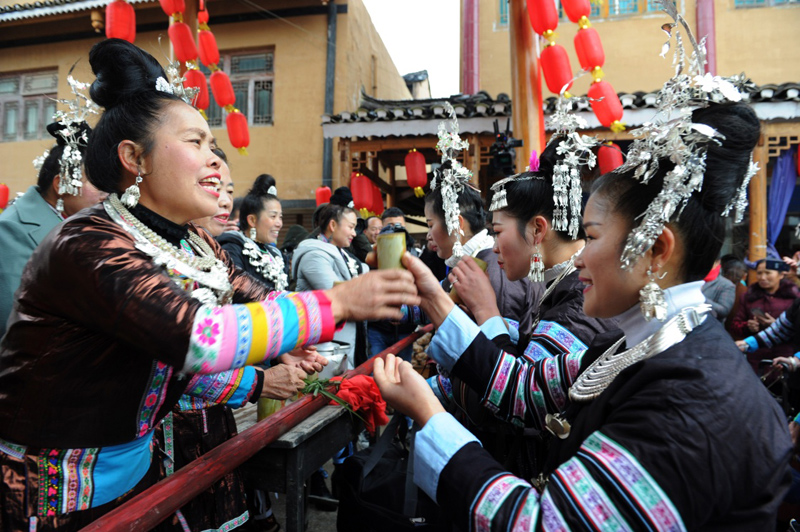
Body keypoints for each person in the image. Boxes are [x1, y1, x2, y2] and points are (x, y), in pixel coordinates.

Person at [0, 39, 418, 531]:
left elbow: (251, 293)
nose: (216, 162)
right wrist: (335, 304)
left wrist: (291, 342)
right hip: (55, 492)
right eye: (195, 143)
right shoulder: (87, 243)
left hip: (140, 474)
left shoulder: (195, 244)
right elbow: (199, 338)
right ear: (135, 157)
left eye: (213, 145)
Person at [376, 98, 790, 532]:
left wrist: (432, 419)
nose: (578, 259)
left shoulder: (691, 401)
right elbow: (527, 388)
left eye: (591, 238)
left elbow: (543, 524)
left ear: (656, 249)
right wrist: (437, 307)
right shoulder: (639, 346)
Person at [0, 118, 106, 338]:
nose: (106, 193)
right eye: (96, 183)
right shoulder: (10, 231)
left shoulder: (81, 224)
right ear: (61, 184)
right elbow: (12, 320)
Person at [425, 162, 538, 338]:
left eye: (431, 225)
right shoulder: (470, 262)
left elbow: (504, 346)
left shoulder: (496, 267)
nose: (428, 235)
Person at [293, 204, 369, 367]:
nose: (354, 234)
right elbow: (339, 296)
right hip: (324, 345)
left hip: (343, 339)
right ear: (333, 225)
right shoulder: (313, 255)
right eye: (351, 227)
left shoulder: (343, 254)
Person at [217, 174, 289, 291]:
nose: (279, 223)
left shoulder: (277, 255)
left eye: (280, 217)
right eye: (273, 216)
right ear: (252, 220)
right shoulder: (232, 247)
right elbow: (238, 289)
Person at [731, 258, 799, 371]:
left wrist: (796, 360)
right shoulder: (748, 297)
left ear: (781, 275)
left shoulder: (794, 296)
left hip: (786, 356)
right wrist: (747, 343)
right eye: (759, 273)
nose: (762, 277)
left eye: (767, 272)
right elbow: (778, 330)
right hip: (759, 360)